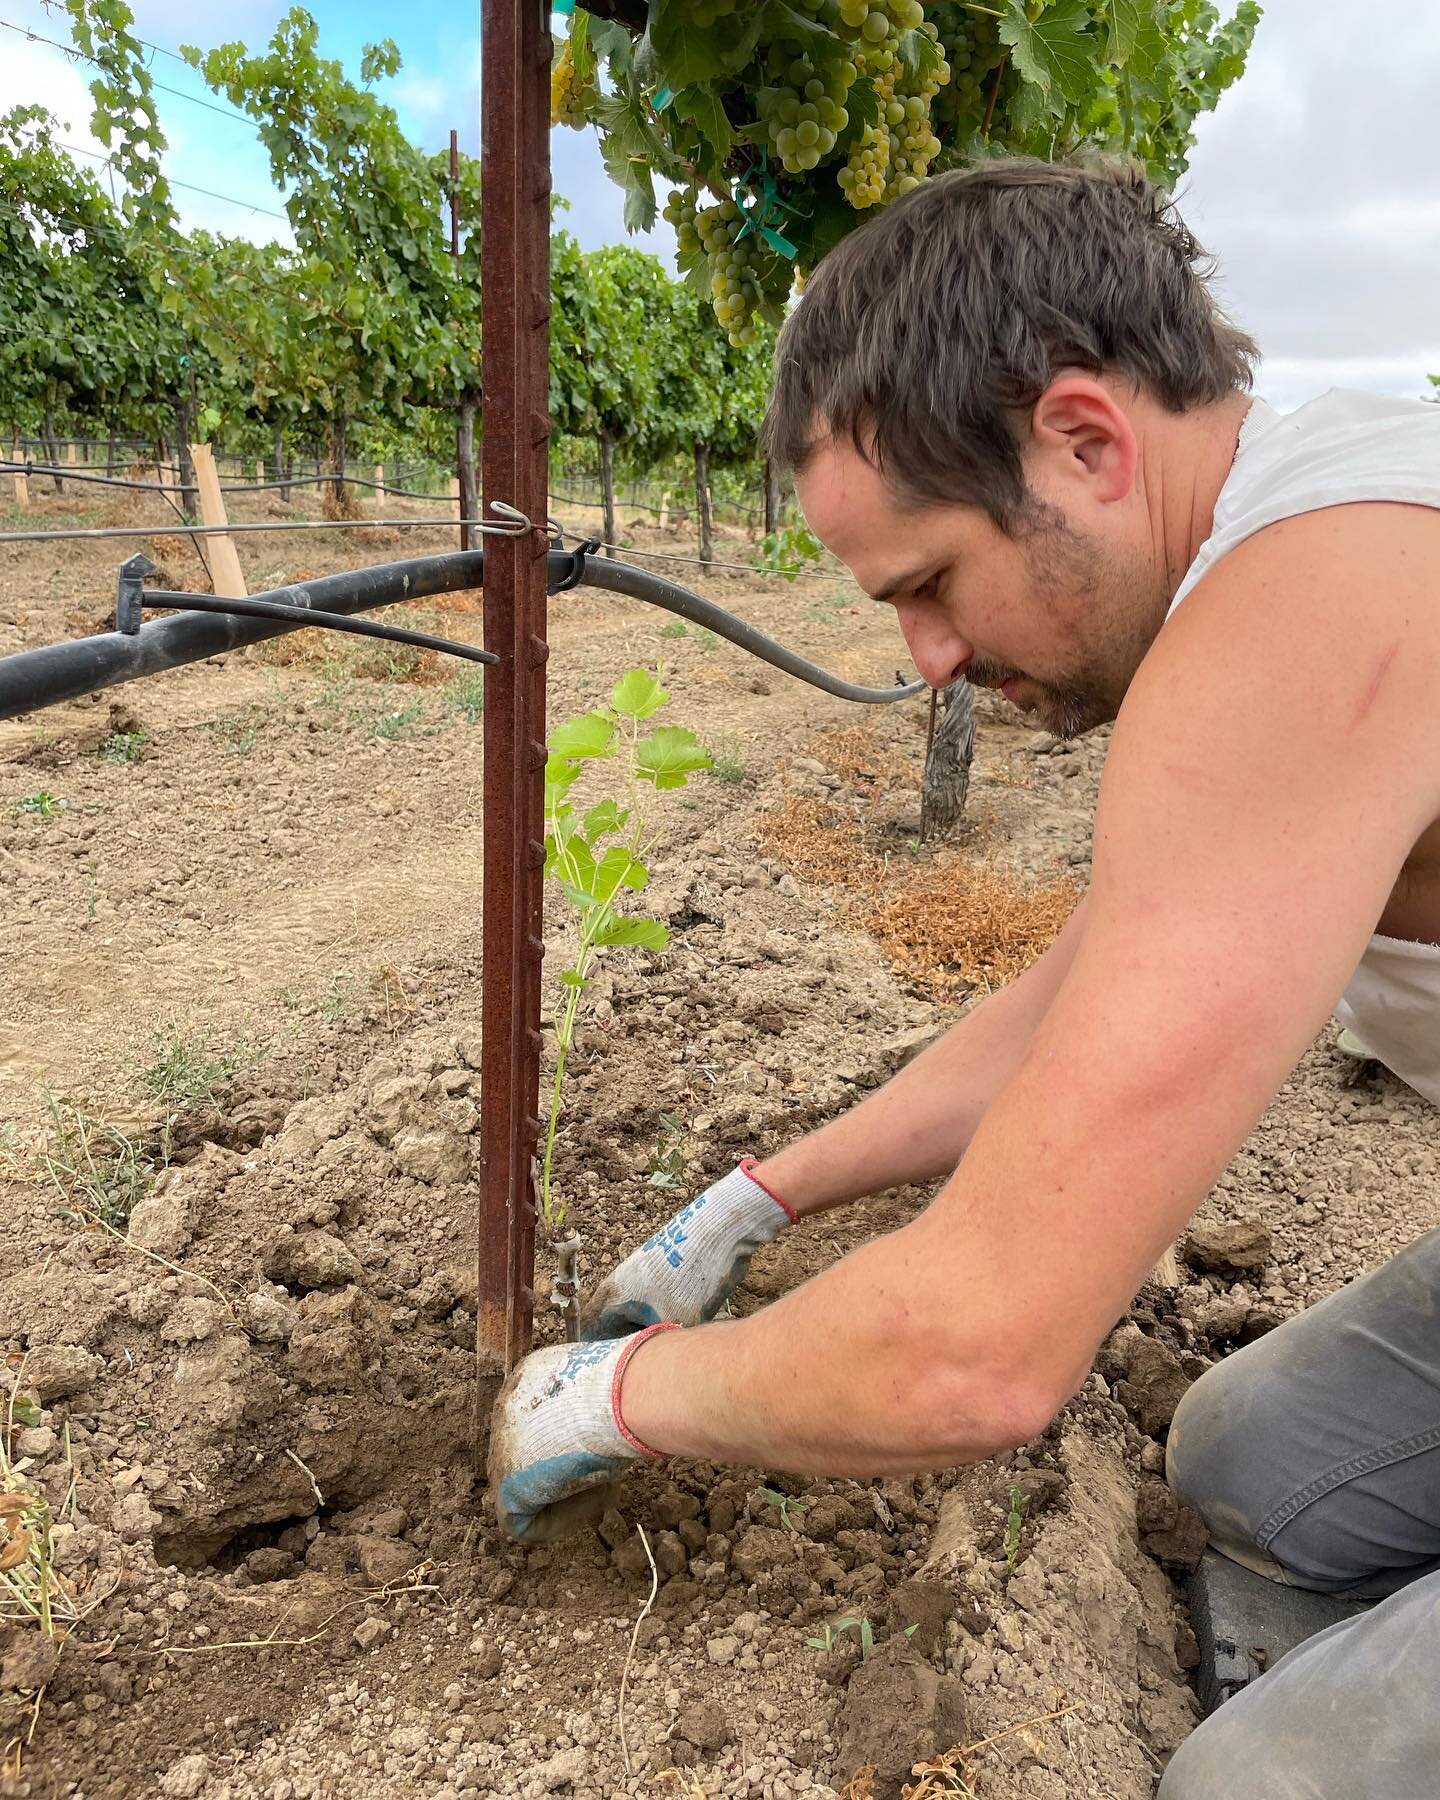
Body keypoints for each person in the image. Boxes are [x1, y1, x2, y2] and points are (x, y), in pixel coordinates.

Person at [488, 159, 1440, 1792]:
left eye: (928, 582)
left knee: (1249, 1787)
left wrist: (611, 1399)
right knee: (1242, 1464)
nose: (924, 658)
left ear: (1084, 438)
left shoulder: (1303, 611)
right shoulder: (1316, 500)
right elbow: (1073, 996)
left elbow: (978, 1351)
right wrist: (751, 1202)